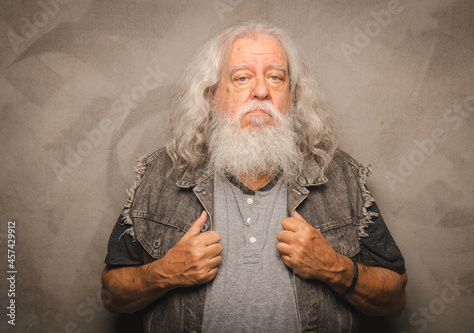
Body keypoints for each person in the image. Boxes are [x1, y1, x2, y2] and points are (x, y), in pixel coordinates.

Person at [101, 20, 407, 333]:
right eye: (242, 78)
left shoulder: (341, 176)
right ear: (212, 95)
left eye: (276, 77)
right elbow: (112, 294)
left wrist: (335, 268)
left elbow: (394, 299)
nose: (261, 91)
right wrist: (162, 274)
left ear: (293, 96)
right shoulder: (162, 175)